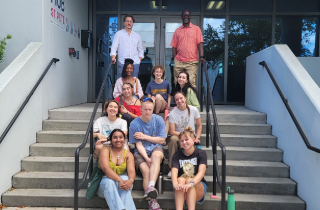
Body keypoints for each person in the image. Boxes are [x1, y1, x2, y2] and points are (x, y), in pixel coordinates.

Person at [129, 98, 167, 210]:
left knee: (156, 156)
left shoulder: (159, 119)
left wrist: (145, 136)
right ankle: (152, 202)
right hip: (140, 152)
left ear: (153, 109)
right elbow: (138, 145)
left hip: (156, 149)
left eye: (150, 109)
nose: (148, 112)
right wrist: (146, 158)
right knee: (146, 171)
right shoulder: (134, 124)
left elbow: (162, 141)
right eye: (145, 109)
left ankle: (150, 187)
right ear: (140, 109)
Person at [97, 129, 136, 210]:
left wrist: (130, 180)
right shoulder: (105, 150)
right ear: (111, 140)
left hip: (122, 185)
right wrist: (120, 180)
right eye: (115, 137)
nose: (118, 140)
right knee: (109, 182)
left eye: (120, 137)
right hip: (105, 184)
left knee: (126, 179)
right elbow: (106, 169)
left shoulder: (128, 154)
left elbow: (131, 171)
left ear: (124, 140)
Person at [171, 127, 208, 210]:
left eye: (187, 139)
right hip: (181, 188)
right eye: (182, 141)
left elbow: (201, 173)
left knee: (189, 180)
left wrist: (191, 183)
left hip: (197, 185)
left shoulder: (201, 153)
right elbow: (174, 171)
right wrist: (175, 184)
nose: (184, 142)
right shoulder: (177, 155)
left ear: (193, 140)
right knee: (180, 180)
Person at [167, 91, 202, 178]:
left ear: (185, 98)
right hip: (178, 136)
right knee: (172, 139)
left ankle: (191, 170)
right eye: (177, 100)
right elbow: (172, 131)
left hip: (191, 136)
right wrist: (184, 136)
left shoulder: (194, 110)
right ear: (175, 101)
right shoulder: (172, 113)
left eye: (181, 98)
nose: (179, 101)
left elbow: (199, 125)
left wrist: (197, 137)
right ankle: (172, 168)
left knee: (189, 141)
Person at [170, 9, 205, 87]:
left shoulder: (196, 29)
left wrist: (201, 57)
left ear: (190, 17)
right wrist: (175, 59)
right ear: (182, 17)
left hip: (191, 61)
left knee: (191, 83)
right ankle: (179, 99)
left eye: (187, 15)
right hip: (179, 61)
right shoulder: (177, 31)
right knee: (178, 83)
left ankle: (191, 99)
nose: (185, 17)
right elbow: (174, 47)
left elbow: (200, 44)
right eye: (184, 15)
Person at [111, 14, 144, 79]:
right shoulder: (119, 34)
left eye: (131, 21)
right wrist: (113, 57)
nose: (129, 23)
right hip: (123, 63)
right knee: (121, 83)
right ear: (124, 23)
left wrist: (139, 60)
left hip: (135, 64)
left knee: (133, 85)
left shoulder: (137, 36)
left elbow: (141, 50)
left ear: (133, 23)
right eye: (127, 21)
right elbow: (114, 47)